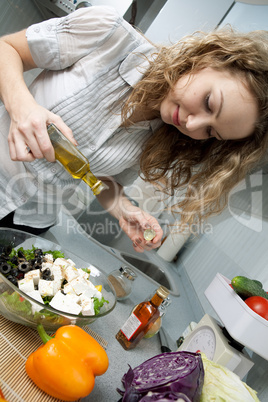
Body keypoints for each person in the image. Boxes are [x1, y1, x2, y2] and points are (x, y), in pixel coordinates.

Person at [0, 6, 268, 252]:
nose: (192, 124)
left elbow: (103, 180)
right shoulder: (109, 33)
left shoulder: (164, 139)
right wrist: (22, 107)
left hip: (30, 223)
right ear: (210, 59)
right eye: (209, 103)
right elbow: (7, 49)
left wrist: (124, 209)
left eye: (211, 132)